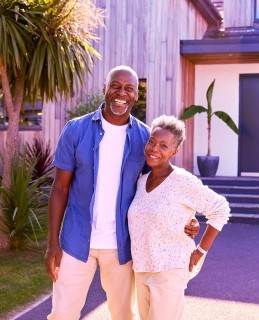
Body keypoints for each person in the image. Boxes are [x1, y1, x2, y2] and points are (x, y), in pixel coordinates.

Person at [44, 65, 199, 320]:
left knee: (124, 314)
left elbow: (159, 186)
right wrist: (52, 243)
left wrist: (185, 218)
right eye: (115, 86)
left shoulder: (144, 138)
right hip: (75, 240)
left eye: (129, 88)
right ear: (105, 88)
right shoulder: (75, 130)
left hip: (122, 245)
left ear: (136, 95)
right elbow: (60, 188)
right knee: (62, 313)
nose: (121, 93)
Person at [128, 115, 231, 320]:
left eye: (163, 145)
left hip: (169, 270)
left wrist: (200, 251)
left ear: (174, 151)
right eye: (152, 142)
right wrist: (191, 222)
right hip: (141, 269)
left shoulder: (182, 181)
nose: (154, 148)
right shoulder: (141, 181)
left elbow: (220, 208)